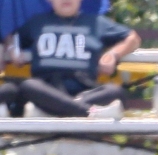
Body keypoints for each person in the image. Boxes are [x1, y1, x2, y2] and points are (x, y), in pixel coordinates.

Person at [0, 0, 137, 118]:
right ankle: (90, 112)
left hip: (84, 91)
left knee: (114, 91)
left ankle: (61, 110)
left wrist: (113, 54)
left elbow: (133, 38)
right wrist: (11, 48)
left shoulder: (97, 22)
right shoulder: (36, 22)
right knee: (29, 86)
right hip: (47, 90)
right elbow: (11, 36)